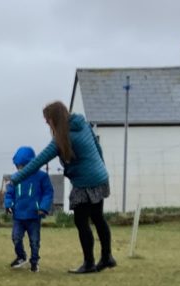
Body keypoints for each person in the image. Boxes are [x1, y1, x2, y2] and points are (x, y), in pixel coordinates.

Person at [8, 101, 114, 274]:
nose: (46, 122)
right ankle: (107, 257)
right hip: (100, 177)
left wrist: (15, 179)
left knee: (81, 221)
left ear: (54, 119)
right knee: (98, 218)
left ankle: (89, 263)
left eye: (47, 119)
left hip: (85, 183)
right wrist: (101, 168)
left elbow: (36, 162)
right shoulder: (83, 124)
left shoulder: (61, 139)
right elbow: (98, 148)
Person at [3, 146, 54, 273]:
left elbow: (48, 192)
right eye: (18, 166)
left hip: (34, 215)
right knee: (16, 237)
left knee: (34, 241)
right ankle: (21, 257)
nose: (20, 169)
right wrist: (8, 204)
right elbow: (9, 193)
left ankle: (34, 262)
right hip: (18, 216)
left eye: (23, 166)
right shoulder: (15, 177)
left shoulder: (42, 177)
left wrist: (43, 207)